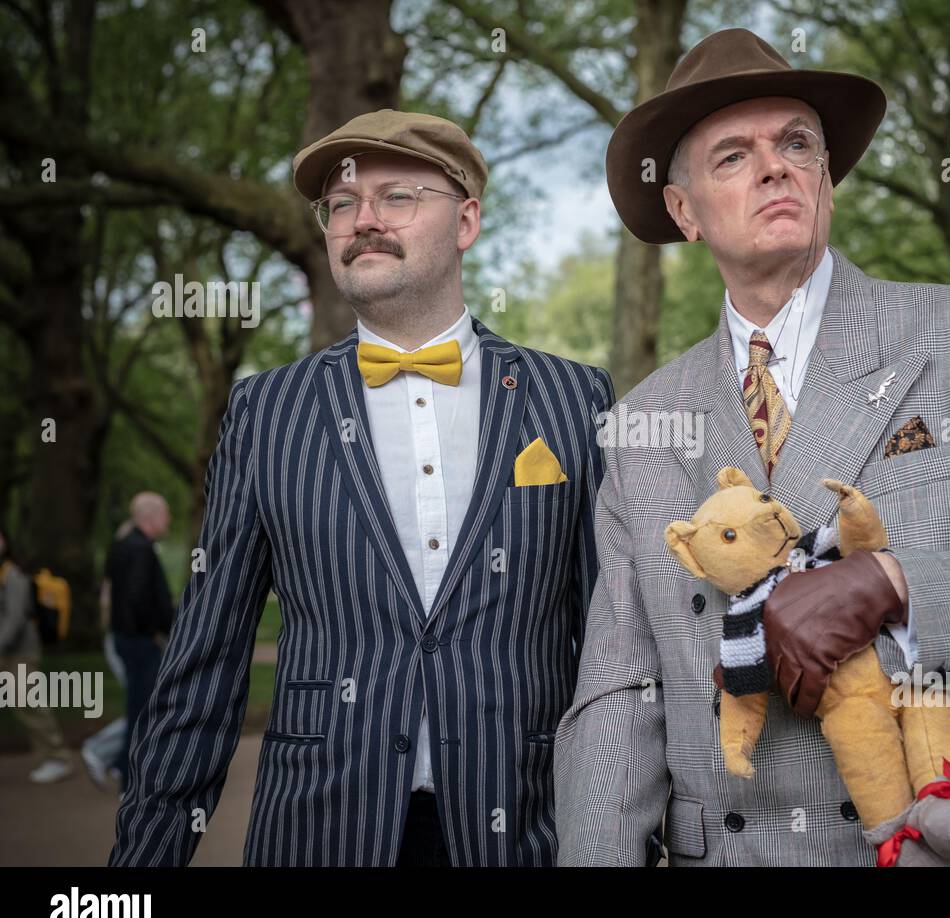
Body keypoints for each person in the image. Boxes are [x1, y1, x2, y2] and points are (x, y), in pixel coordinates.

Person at [557, 29, 950, 866]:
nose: (774, 168)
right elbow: (620, 690)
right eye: (733, 156)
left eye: (796, 144)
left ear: (825, 176)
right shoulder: (642, 422)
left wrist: (896, 585)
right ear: (684, 212)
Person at [110, 110, 612, 867]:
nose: (364, 219)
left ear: (467, 221)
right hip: (319, 832)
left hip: (525, 831)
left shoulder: (575, 399)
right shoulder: (266, 412)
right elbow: (205, 657)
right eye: (341, 204)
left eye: (397, 196)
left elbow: (615, 647)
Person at [105, 493, 175, 796]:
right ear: (151, 516)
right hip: (139, 641)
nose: (169, 520)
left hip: (127, 637)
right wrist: (158, 629)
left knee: (141, 706)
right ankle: (128, 777)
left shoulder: (123, 545)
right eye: (165, 513)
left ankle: (121, 765)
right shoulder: (141, 549)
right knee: (144, 710)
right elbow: (139, 599)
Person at [0, 525, 75, 783]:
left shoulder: (13, 575)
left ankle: (58, 757)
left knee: (29, 704)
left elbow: (15, 618)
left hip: (20, 652)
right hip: (8, 651)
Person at [80, 520, 136, 791]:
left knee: (145, 704)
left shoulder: (122, 572)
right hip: (122, 642)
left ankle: (117, 760)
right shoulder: (121, 575)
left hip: (121, 640)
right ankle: (99, 750)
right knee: (144, 705)